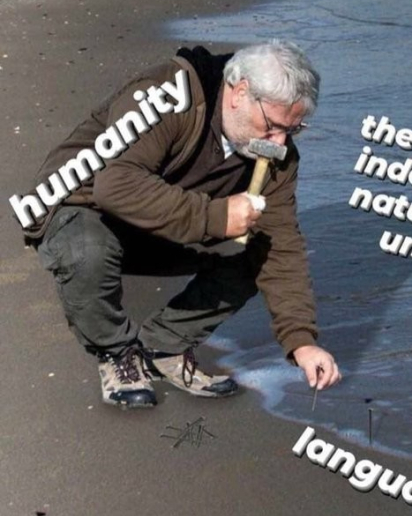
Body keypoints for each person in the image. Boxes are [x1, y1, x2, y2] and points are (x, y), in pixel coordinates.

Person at [19, 40, 341, 408]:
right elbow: (115, 185)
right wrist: (217, 218)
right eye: (271, 127)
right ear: (239, 93)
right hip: (81, 207)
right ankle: (117, 353)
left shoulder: (276, 156)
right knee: (86, 250)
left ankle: (165, 346)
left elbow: (281, 243)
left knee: (257, 250)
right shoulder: (166, 94)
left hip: (160, 224)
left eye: (293, 130)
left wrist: (301, 341)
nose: (279, 142)